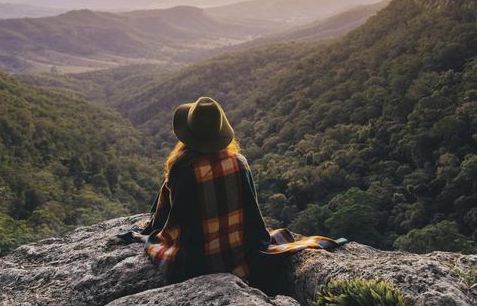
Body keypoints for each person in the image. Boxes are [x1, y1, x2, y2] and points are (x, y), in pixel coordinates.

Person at [141, 96, 344, 294]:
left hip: (193, 263)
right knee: (281, 236)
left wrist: (152, 231)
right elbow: (252, 215)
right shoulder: (239, 162)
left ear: (189, 135)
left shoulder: (182, 169)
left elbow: (166, 219)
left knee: (154, 241)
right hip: (236, 255)